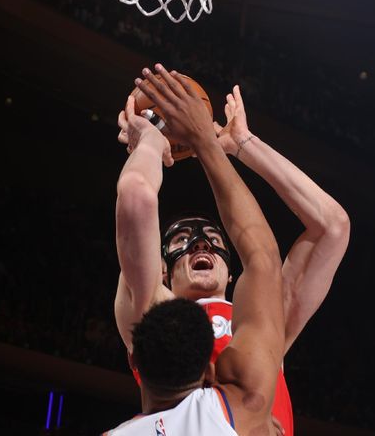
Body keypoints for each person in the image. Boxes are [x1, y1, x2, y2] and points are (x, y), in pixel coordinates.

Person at [114, 64, 351, 434]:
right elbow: (137, 207)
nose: (200, 243)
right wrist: (165, 142)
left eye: (213, 238)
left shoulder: (265, 310)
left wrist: (241, 144)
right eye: (181, 240)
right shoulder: (151, 309)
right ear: (162, 269)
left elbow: (332, 228)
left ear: (232, 271)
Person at [105, 66, 285, 435]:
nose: (200, 243)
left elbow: (136, 198)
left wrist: (149, 145)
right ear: (210, 368)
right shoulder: (240, 407)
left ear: (133, 356)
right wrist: (204, 140)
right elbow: (264, 258)